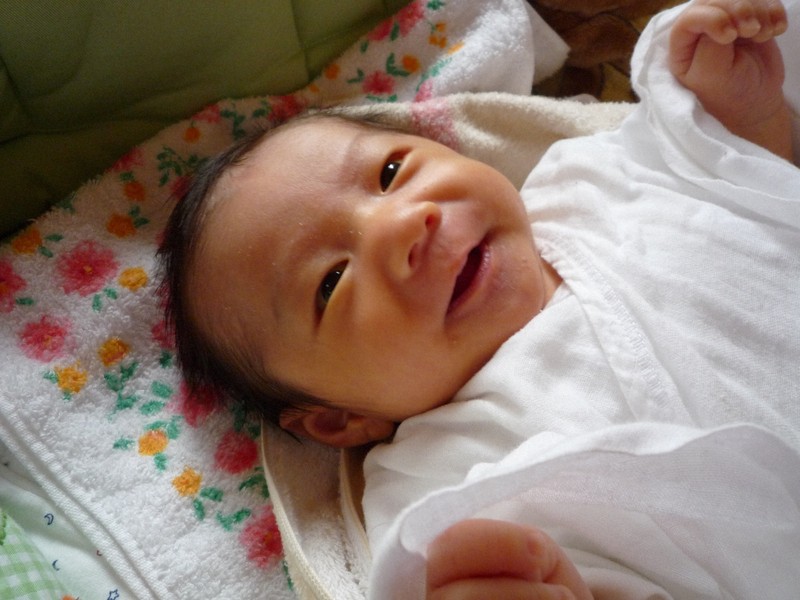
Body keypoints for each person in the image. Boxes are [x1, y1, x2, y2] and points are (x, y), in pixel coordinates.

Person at [159, 0, 799, 597]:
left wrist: (744, 116)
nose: (404, 225)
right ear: (338, 421)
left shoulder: (585, 181)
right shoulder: (433, 478)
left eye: (389, 173)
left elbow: (747, 197)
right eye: (331, 281)